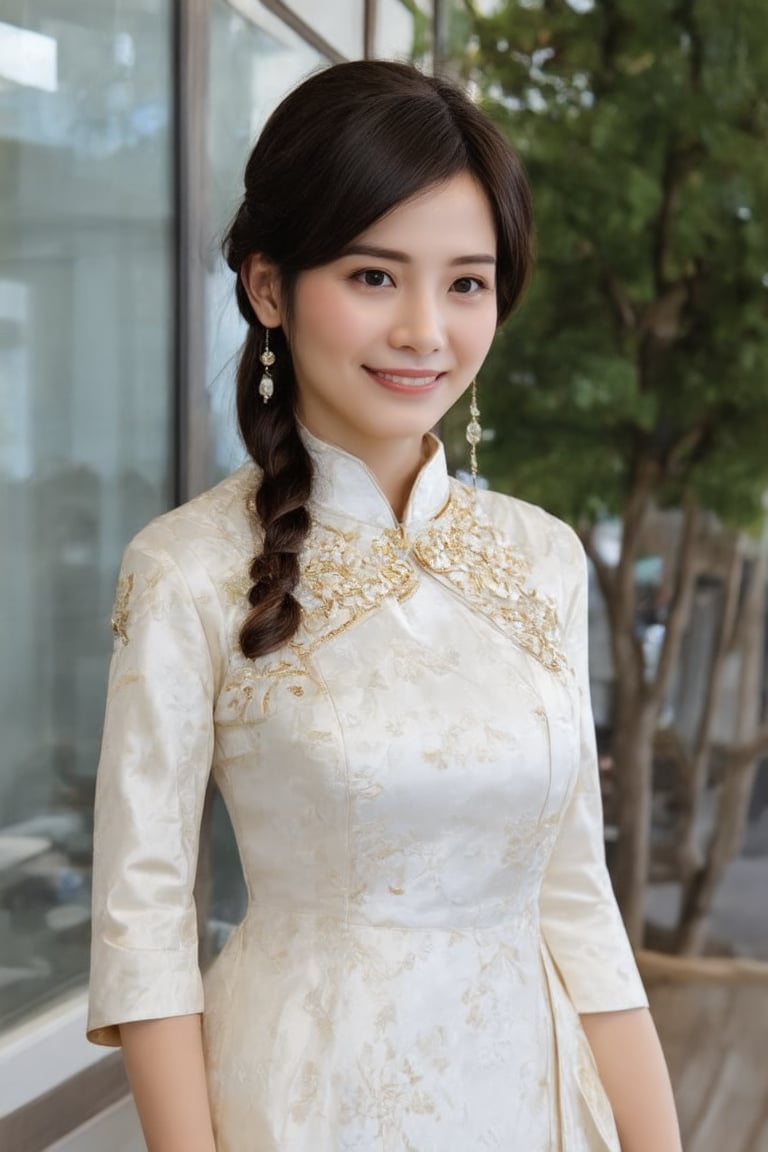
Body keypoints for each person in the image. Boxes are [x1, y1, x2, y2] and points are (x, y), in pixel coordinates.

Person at [87, 60, 681, 1152]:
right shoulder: (186, 571)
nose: (425, 331)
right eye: (373, 276)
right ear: (269, 288)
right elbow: (144, 936)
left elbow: (580, 910)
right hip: (307, 1107)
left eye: (466, 282)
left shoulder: (542, 560)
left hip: (537, 1105)